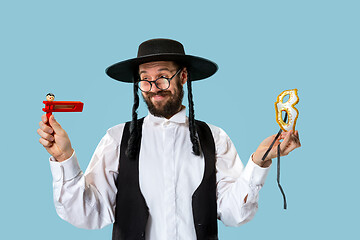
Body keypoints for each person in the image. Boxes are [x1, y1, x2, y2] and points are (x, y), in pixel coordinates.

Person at [37, 38, 301, 240]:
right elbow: (88, 214)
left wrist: (259, 161)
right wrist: (64, 158)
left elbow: (234, 214)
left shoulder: (215, 138)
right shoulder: (117, 139)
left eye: (163, 77)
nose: (154, 88)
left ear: (183, 76)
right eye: (145, 80)